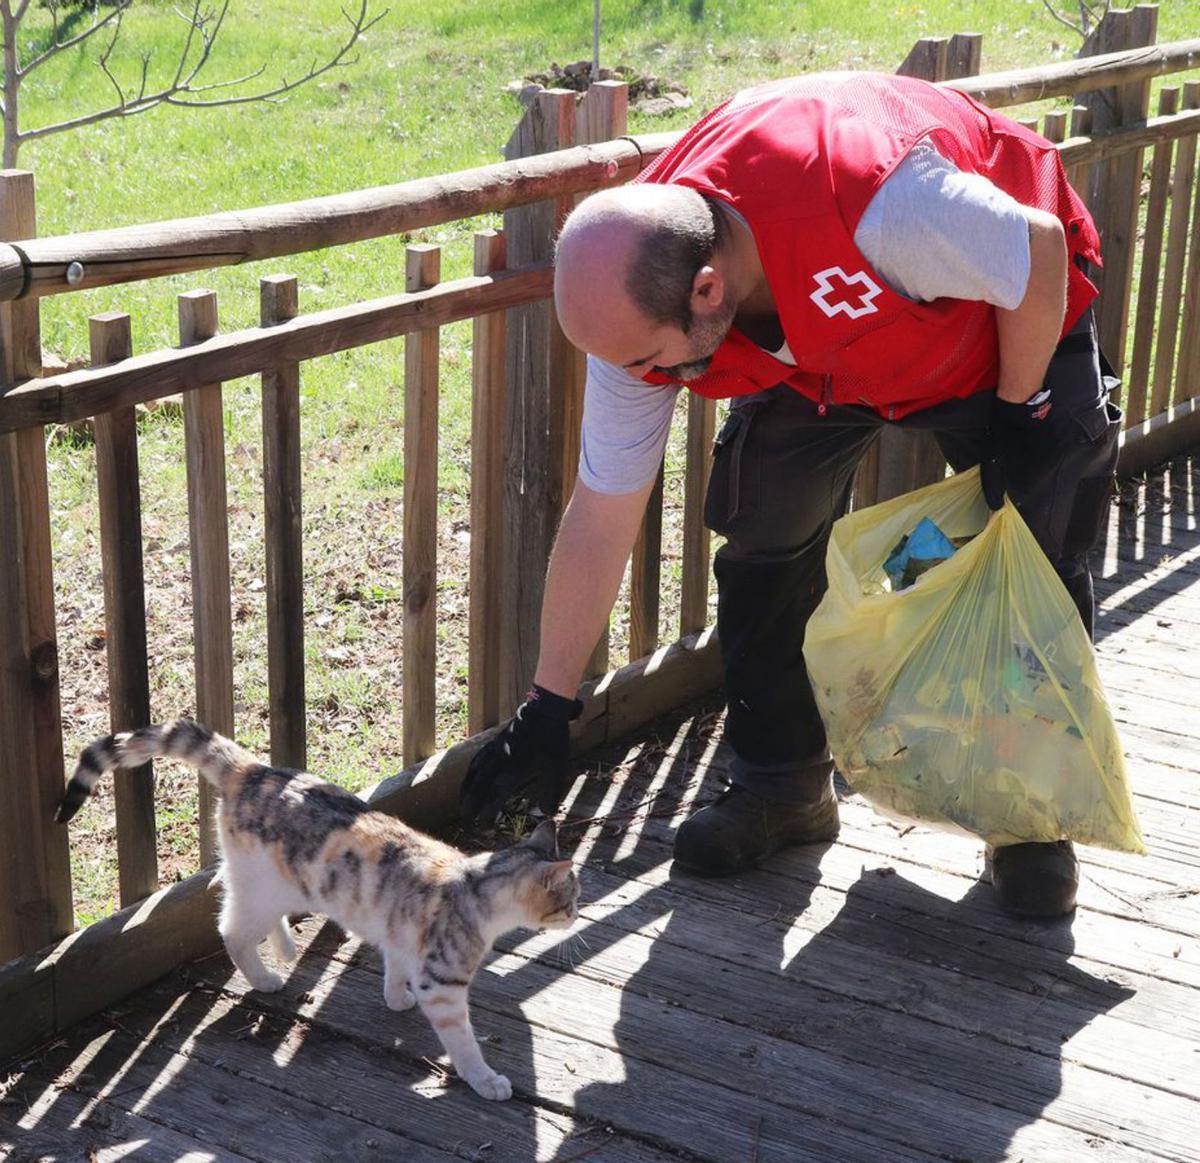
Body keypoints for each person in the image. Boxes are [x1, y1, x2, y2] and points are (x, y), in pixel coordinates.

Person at [458, 70, 1121, 919]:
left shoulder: (890, 203)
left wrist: (1022, 411)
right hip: (824, 353)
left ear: (708, 290)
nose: (643, 382)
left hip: (999, 313)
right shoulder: (637, 289)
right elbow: (602, 509)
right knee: (764, 520)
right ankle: (783, 784)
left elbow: (1035, 253)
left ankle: (1031, 824)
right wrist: (548, 708)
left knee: (1038, 542)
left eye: (651, 363)